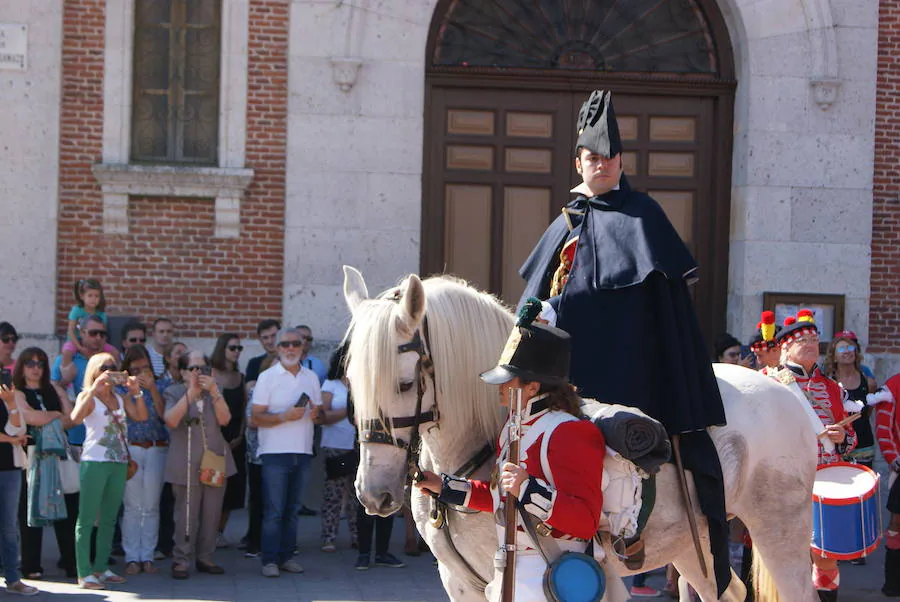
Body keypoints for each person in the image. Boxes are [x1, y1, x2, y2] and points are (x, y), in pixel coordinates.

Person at [516, 89, 731, 595]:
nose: (604, 166)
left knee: (618, 442)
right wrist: (540, 313)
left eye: (611, 158)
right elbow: (548, 289)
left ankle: (630, 529)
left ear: (621, 162)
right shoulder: (565, 222)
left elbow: (654, 299)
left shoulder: (643, 214)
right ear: (579, 162)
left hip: (626, 359)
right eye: (594, 158)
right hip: (564, 368)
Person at [417, 309, 606, 600]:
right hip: (511, 567)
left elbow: (585, 520)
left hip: (554, 572)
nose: (500, 388)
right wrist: (444, 486)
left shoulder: (570, 432)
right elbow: (502, 497)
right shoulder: (512, 428)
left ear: (532, 386)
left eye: (509, 380)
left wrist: (528, 489)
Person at [763, 310, 856, 602]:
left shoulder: (831, 388)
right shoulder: (767, 383)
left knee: (826, 555)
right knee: (784, 557)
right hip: (783, 480)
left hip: (824, 480)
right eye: (802, 339)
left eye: (815, 339)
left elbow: (852, 438)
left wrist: (842, 439)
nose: (811, 343)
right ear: (786, 347)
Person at [69, 352, 148, 590]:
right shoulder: (89, 396)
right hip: (94, 462)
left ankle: (101, 567)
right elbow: (74, 418)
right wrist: (93, 388)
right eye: (105, 367)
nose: (110, 370)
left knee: (109, 518)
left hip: (118, 462)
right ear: (94, 370)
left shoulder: (121, 399)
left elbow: (142, 416)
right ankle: (84, 572)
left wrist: (135, 391)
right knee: (86, 518)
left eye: (114, 366)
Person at [251, 327, 321, 577]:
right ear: (277, 349)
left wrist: (315, 414)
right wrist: (283, 416)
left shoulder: (311, 377)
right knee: (274, 511)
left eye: (295, 343)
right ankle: (269, 560)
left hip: (302, 451)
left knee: (292, 510)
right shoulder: (267, 377)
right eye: (285, 344)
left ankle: (287, 556)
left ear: (302, 347)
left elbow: (319, 414)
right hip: (274, 452)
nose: (290, 348)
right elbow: (255, 417)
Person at [162, 350, 235, 579]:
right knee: (186, 514)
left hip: (213, 460)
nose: (197, 373)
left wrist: (213, 392)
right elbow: (171, 420)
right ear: (183, 372)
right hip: (185, 461)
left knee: (212, 513)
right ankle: (181, 559)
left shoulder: (216, 392)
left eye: (202, 368)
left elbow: (225, 420)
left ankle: (205, 557)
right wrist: (190, 394)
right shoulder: (173, 391)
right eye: (192, 369)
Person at [14, 347, 77, 580]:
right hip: (31, 456)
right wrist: (55, 415)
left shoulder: (52, 390)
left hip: (58, 456)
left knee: (69, 510)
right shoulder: (18, 392)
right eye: (30, 363)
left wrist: (60, 392)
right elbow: (30, 417)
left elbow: (71, 418)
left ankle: (71, 564)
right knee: (30, 511)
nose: (35, 368)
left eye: (40, 363)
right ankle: (31, 566)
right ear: (22, 366)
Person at [119, 345, 168, 576]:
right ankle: (131, 557)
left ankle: (147, 555)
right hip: (132, 449)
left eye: (145, 368)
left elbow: (165, 416)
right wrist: (132, 390)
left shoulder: (161, 384)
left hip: (157, 447)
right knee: (132, 506)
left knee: (151, 506)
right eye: (136, 369)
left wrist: (154, 390)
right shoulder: (121, 388)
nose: (141, 373)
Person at [314, 343, 358, 552]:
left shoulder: (362, 383)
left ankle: (357, 536)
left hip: (357, 446)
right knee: (334, 494)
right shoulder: (330, 385)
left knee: (356, 496)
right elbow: (322, 417)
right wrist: (349, 410)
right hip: (336, 446)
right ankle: (328, 536)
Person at [0, 380, 39, 596]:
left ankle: (13, 578)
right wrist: (10, 440)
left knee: (9, 527)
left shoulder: (8, 399)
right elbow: (13, 436)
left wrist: (11, 403)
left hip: (10, 469)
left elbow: (18, 428)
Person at [210, 333, 246, 547]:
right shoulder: (211, 374)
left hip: (236, 441)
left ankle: (219, 532)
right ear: (222, 348)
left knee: (233, 490)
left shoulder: (240, 377)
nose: (236, 352)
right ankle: (207, 531)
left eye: (239, 348)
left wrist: (240, 435)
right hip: (215, 441)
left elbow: (242, 409)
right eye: (232, 348)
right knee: (213, 487)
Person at [824, 331, 877, 470]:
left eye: (850, 348)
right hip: (837, 444)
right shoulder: (828, 383)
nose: (847, 352)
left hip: (864, 444)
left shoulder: (869, 382)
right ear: (834, 356)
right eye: (841, 349)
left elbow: (867, 413)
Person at [869, 375, 900, 597]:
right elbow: (883, 428)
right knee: (897, 523)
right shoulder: (893, 385)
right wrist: (894, 459)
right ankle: (893, 583)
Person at [62, 279, 117, 367]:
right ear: (82, 296)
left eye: (96, 296)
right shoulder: (76, 311)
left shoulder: (101, 314)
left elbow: (103, 334)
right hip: (76, 341)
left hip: (95, 341)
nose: (93, 299)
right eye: (90, 296)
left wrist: (100, 348)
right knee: (66, 352)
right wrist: (79, 347)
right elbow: (71, 331)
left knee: (115, 352)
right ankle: (65, 373)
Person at [245, 319, 281, 395]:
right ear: (260, 340)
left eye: (273, 336)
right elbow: (251, 391)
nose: (270, 341)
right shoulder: (254, 363)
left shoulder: (292, 360)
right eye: (265, 337)